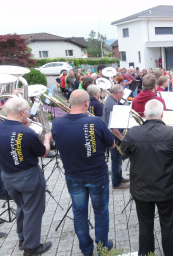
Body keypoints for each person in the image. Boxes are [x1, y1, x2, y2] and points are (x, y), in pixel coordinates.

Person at [52, 90, 115, 256]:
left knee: (79, 213)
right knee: (101, 212)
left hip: (73, 175)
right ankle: (102, 247)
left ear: (69, 103)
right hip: (96, 175)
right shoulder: (95, 122)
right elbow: (112, 145)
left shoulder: (57, 123)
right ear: (87, 103)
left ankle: (86, 250)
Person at [121, 100, 173, 256]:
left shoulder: (133, 132)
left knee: (145, 225)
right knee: (168, 224)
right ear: (162, 114)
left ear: (143, 114)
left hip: (141, 189)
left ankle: (146, 253)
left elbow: (123, 151)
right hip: (166, 189)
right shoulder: (171, 132)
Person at [0, 97, 52, 255]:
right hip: (28, 176)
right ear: (23, 112)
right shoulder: (26, 132)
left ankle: (23, 238)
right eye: (28, 110)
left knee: (22, 207)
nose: (29, 113)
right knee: (33, 210)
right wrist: (47, 139)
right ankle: (31, 247)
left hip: (8, 176)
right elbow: (43, 153)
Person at [102, 85, 129, 190]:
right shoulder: (111, 104)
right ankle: (116, 183)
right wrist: (121, 137)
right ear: (117, 93)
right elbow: (112, 125)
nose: (122, 96)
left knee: (118, 159)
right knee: (116, 159)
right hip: (114, 137)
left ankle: (119, 177)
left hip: (115, 136)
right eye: (122, 93)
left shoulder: (112, 101)